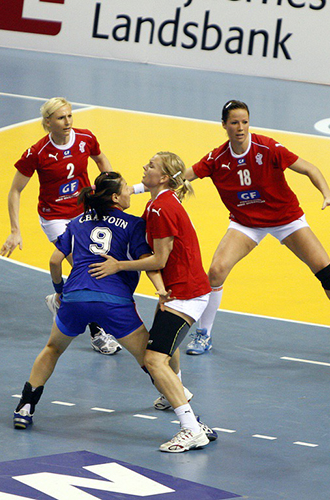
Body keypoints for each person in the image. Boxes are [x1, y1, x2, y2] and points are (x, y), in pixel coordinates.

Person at [12, 171, 215, 453]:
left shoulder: (76, 222)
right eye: (126, 189)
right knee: (152, 362)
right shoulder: (134, 224)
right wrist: (160, 290)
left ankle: (25, 406)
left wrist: (59, 290)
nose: (132, 191)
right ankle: (192, 422)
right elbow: (150, 262)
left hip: (76, 297)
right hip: (114, 303)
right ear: (116, 197)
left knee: (52, 349)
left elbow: (55, 260)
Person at [183, 100, 330, 355]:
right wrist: (147, 188)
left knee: (325, 269)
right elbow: (184, 177)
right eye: (234, 122)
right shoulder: (217, 158)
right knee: (217, 270)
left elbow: (309, 168)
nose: (240, 127)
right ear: (224, 125)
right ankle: (203, 335)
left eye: (244, 121)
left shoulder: (267, 147)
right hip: (247, 223)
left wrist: (327, 194)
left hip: (285, 219)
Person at [89, 152, 213, 453]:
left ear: (165, 177)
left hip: (185, 293)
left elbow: (159, 258)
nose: (145, 168)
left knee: (154, 360)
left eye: (152, 166)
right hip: (178, 290)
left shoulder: (162, 207)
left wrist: (117, 266)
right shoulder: (160, 202)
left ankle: (191, 428)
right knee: (167, 352)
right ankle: (175, 396)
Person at [0, 97, 121, 355]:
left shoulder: (86, 138)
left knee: (99, 264)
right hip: (54, 217)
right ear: (47, 122)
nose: (67, 122)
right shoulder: (37, 152)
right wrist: (15, 230)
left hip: (84, 212)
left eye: (69, 116)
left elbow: (102, 161)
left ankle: (59, 299)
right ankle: (97, 333)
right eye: (60, 118)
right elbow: (15, 190)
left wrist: (109, 190)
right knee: (84, 267)